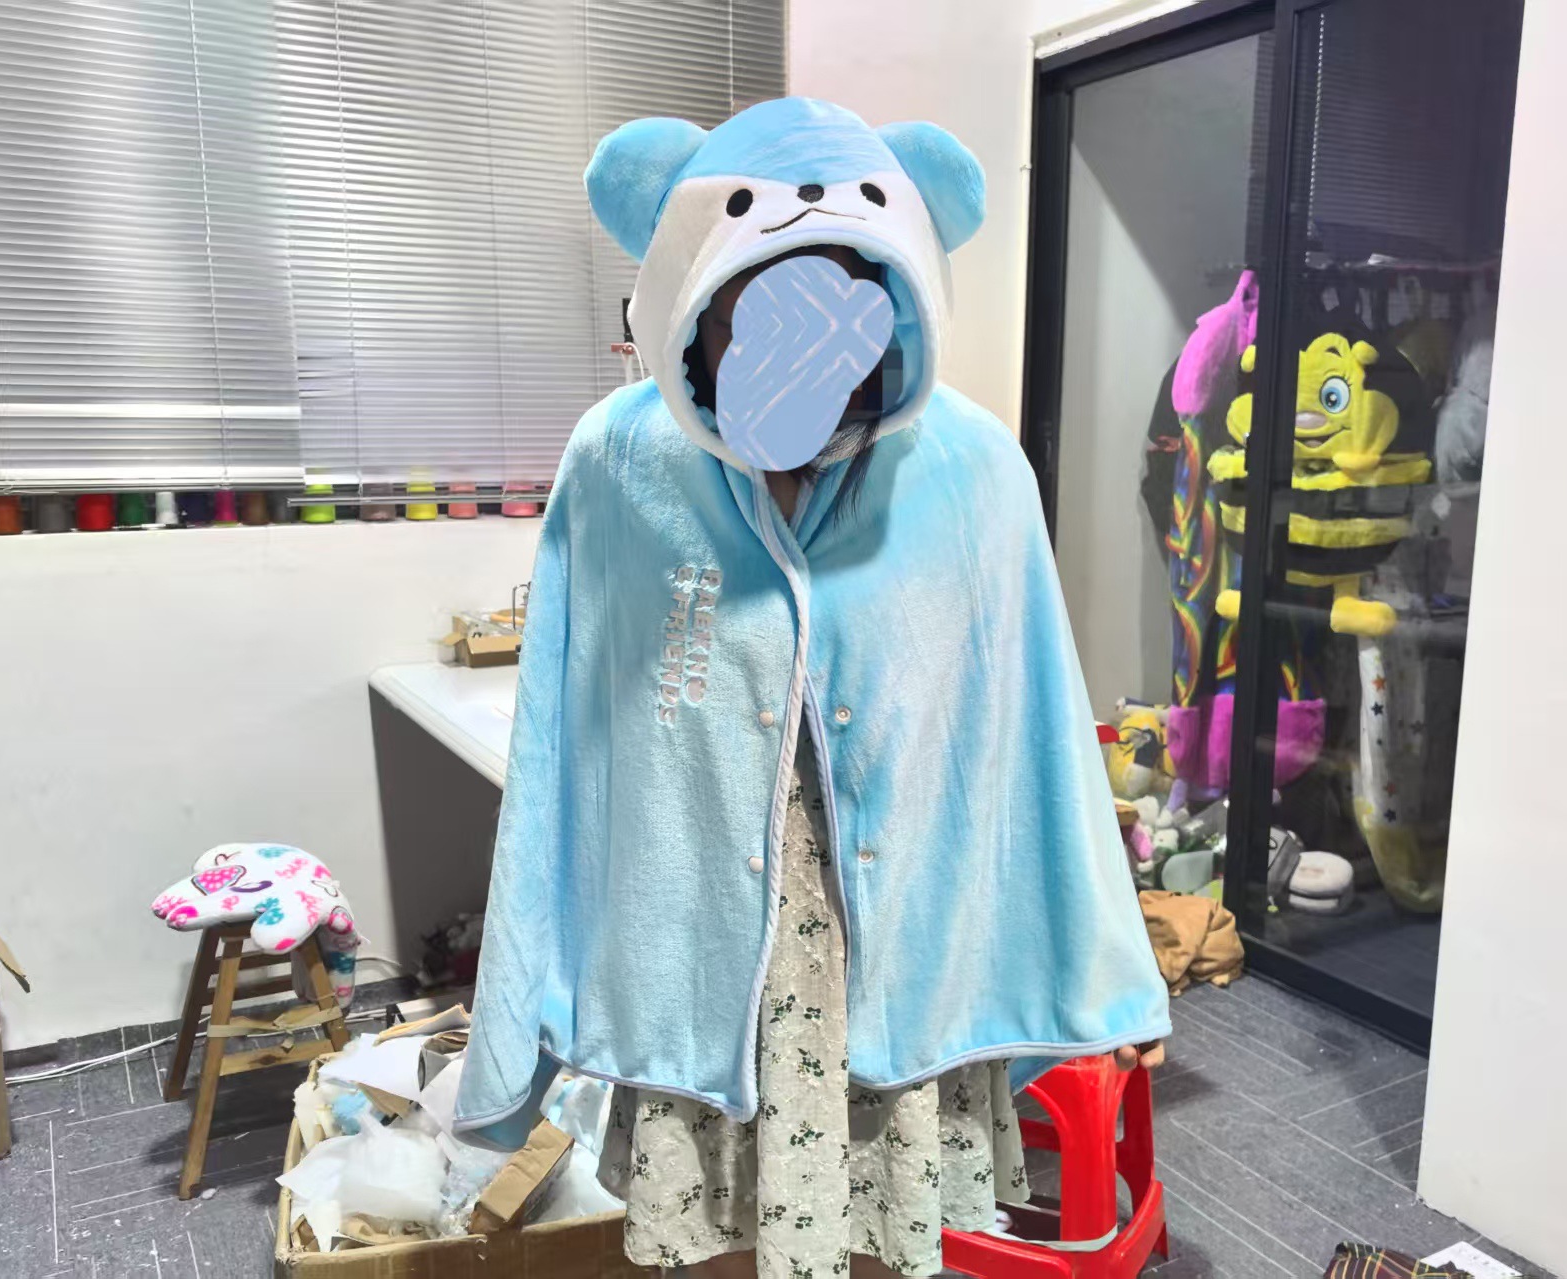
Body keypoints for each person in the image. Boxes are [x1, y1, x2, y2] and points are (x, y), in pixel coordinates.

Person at [455, 98, 1170, 1279]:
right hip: (701, 950)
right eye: (752, 308)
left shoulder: (971, 467)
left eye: (835, 302)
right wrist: (523, 1002)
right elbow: (559, 744)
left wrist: (1101, 970)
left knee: (888, 1228)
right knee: (715, 1236)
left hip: (900, 943)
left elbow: (1031, 730)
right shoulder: (620, 459)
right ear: (689, 298)